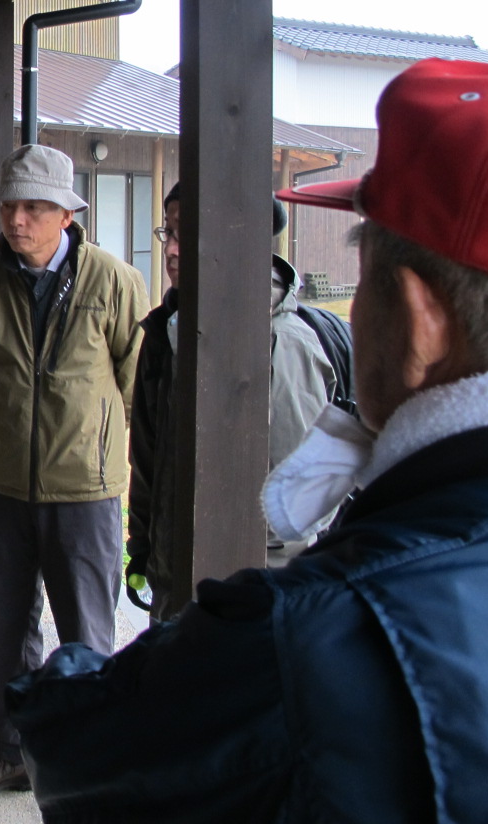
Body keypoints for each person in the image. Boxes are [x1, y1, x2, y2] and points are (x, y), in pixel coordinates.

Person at [9, 59, 488, 821]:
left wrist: (75, 673)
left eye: (363, 273)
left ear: (421, 321)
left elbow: (86, 753)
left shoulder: (311, 633)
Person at [0, 143, 146, 799]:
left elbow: (132, 376)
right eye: (9, 205)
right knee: (7, 627)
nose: (17, 219)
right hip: (4, 483)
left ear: (67, 213)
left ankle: (91, 759)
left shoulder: (112, 281)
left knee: (87, 632)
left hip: (83, 489)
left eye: (33, 206)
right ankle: (10, 750)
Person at [127, 187, 334, 619]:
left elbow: (300, 504)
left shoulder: (284, 345)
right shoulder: (165, 332)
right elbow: (148, 460)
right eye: (170, 232)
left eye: (191, 234)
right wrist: (143, 546)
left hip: (246, 602)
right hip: (173, 583)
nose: (172, 250)